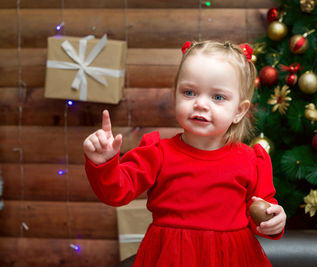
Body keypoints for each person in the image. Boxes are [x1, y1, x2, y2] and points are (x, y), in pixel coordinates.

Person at [84, 40, 286, 267]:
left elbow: (262, 211)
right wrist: (104, 163)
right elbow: (115, 193)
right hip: (171, 257)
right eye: (189, 92)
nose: (200, 104)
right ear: (175, 95)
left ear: (239, 111)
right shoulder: (157, 152)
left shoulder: (252, 159)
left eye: (217, 97)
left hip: (232, 258)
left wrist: (274, 220)